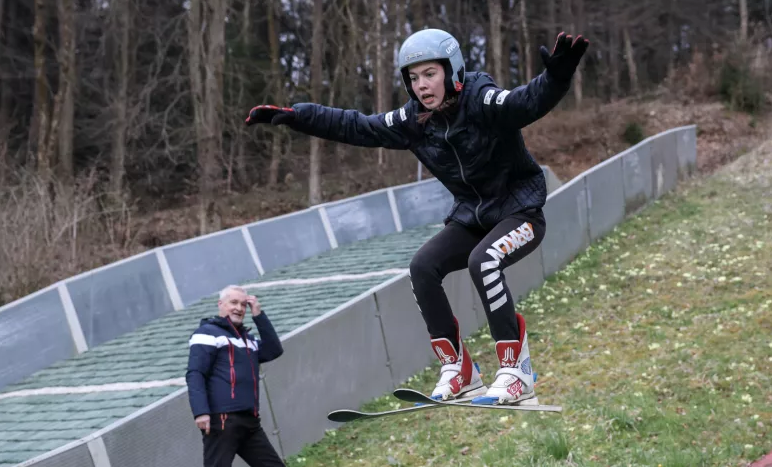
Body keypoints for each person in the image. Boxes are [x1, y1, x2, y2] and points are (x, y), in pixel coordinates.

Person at [244, 29, 589, 406]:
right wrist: (300, 117)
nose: (421, 85)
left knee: (484, 261)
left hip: (521, 212)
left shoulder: (482, 99)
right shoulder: (413, 120)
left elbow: (525, 103)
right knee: (422, 267)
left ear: (451, 70)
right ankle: (459, 369)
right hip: (472, 217)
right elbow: (357, 126)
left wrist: (556, 77)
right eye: (413, 77)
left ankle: (515, 370)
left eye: (429, 74)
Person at [185, 284, 287, 467]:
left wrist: (260, 315)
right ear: (221, 305)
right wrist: (201, 412)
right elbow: (195, 375)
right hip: (221, 420)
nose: (239, 308)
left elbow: (274, 350)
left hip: (250, 422)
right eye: (233, 302)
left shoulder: (248, 340)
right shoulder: (207, 334)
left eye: (243, 304)